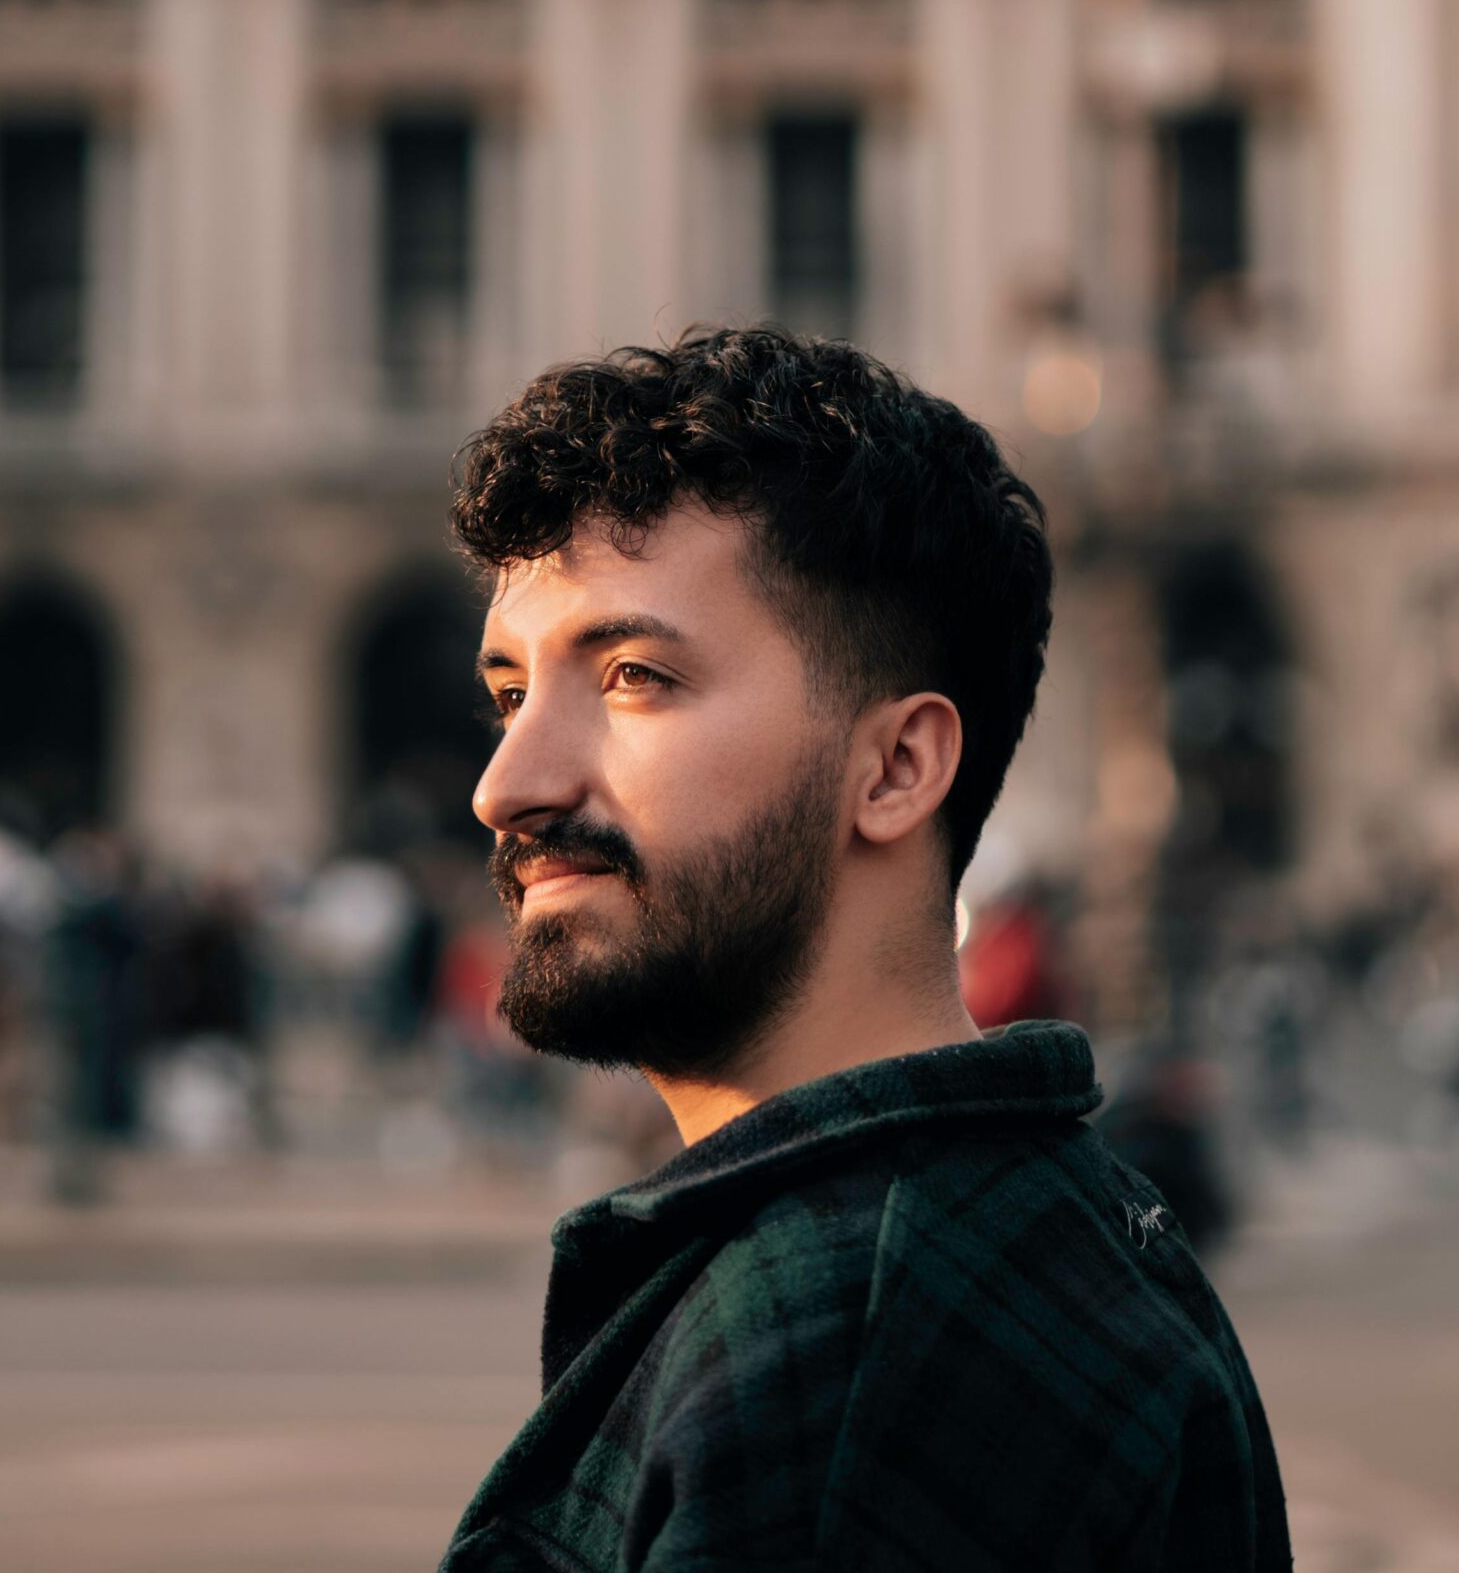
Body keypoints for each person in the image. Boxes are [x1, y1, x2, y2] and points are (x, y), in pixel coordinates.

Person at [439, 326, 1290, 1573]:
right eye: (511, 694)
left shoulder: (851, 1358)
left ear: (896, 766)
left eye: (631, 675)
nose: (506, 785)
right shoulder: (1007, 1220)